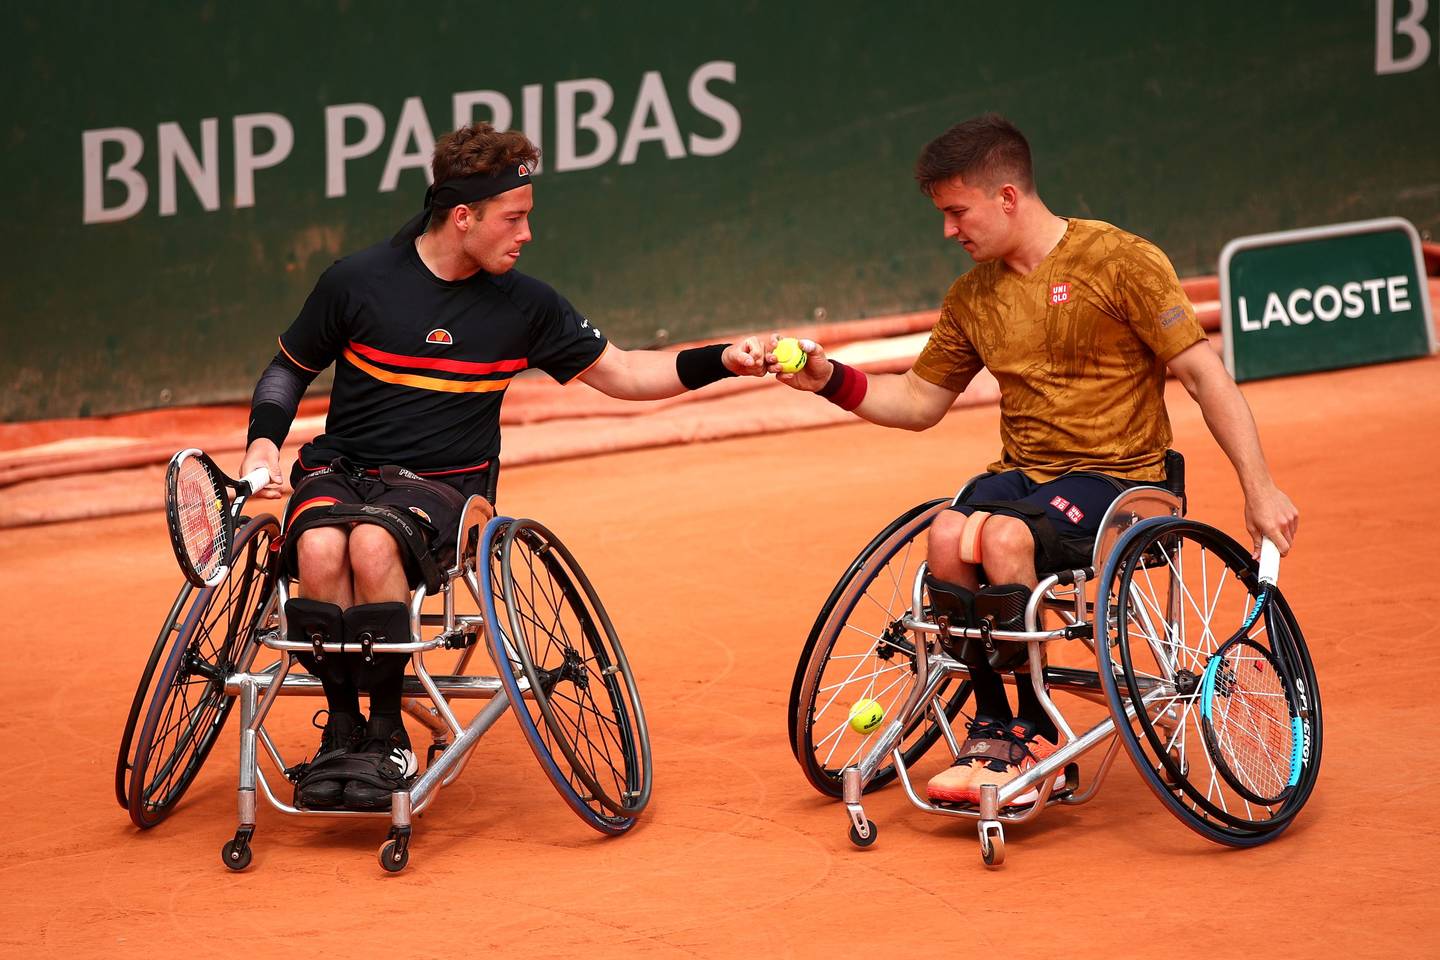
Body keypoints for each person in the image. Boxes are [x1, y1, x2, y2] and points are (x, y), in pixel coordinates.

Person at [770, 114, 1298, 807]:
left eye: (958, 212)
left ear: (1008, 196)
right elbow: (921, 401)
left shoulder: (1120, 261)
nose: (949, 231)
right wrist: (829, 378)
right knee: (947, 535)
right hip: (1025, 474)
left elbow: (1205, 376)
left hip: (1122, 481)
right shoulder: (973, 297)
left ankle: (1035, 735)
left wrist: (1259, 489)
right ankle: (993, 725)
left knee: (1003, 535)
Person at [239, 122, 766, 811]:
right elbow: (288, 370)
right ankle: (343, 731)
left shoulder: (526, 306)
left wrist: (722, 360)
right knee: (315, 545)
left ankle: (389, 734)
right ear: (464, 218)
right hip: (342, 468)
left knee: (369, 544)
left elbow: (628, 373)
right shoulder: (357, 283)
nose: (526, 234)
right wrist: (261, 443)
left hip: (444, 488)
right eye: (514, 219)